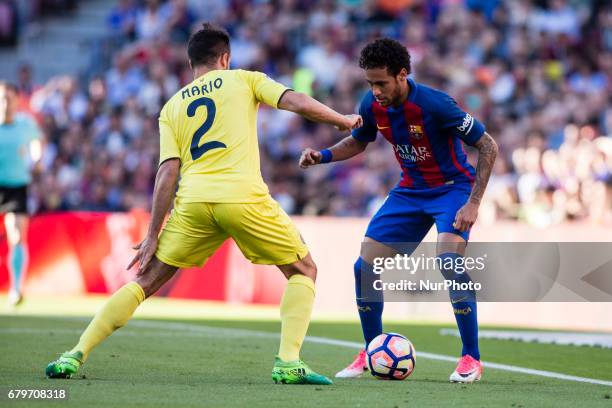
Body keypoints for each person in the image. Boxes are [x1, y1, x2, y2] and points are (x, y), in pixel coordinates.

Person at [45, 23, 362, 385]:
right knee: (303, 271)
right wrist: (341, 120)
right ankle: (288, 361)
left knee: (145, 281)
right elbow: (295, 101)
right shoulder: (244, 79)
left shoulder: (172, 106)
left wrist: (153, 234)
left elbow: (167, 173)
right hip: (242, 197)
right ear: (224, 58)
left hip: (194, 202)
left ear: (191, 61)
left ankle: (75, 353)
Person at [299, 38, 498, 383]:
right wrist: (324, 156)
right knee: (364, 267)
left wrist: (474, 202)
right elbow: (359, 141)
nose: (375, 90)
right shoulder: (371, 104)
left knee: (449, 262)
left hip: (452, 190)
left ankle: (471, 358)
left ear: (402, 75)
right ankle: (370, 350)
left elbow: (488, 145)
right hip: (410, 192)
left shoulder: (437, 105)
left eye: (381, 82)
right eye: (370, 83)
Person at [0, 82, 42, 307]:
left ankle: (16, 288)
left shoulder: (26, 124)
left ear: (17, 100)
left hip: (16, 186)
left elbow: (36, 144)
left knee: (17, 235)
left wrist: (36, 159)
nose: (5, 103)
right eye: (2, 98)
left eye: (9, 98)